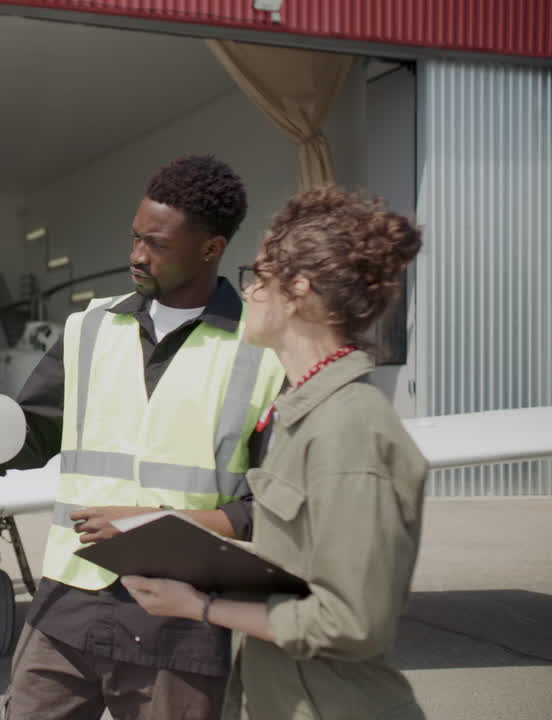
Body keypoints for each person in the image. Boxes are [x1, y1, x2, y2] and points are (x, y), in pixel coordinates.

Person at [0, 156, 287, 720]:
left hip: (182, 614)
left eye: (157, 244)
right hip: (70, 596)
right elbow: (27, 433)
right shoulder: (90, 327)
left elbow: (270, 506)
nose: (137, 256)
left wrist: (155, 523)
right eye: (135, 238)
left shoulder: (262, 352)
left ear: (210, 247)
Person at [120, 186, 427, 719]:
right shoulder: (298, 410)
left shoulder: (347, 428)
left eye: (259, 278)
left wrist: (202, 607)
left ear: (299, 291)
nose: (250, 293)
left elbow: (352, 623)